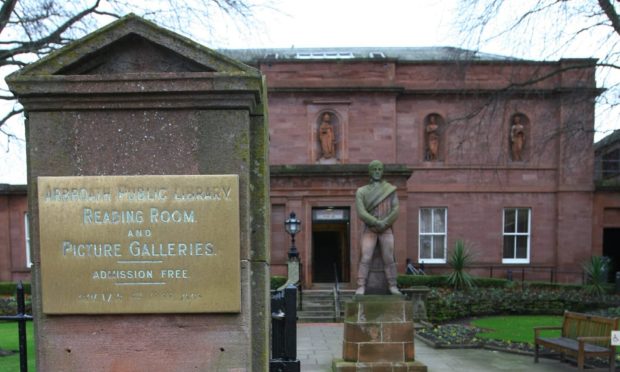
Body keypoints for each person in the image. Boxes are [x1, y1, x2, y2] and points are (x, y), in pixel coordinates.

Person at [355, 160, 401, 295]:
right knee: (365, 257)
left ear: (382, 171)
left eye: (379, 169)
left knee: (389, 257)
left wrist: (385, 223)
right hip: (370, 229)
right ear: (370, 171)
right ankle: (360, 285)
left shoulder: (390, 189)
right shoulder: (361, 191)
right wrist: (376, 222)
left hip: (386, 229)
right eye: (374, 169)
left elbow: (396, 209)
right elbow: (361, 212)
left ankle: (393, 285)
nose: (377, 172)